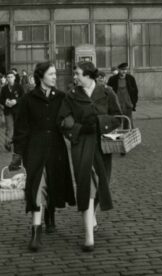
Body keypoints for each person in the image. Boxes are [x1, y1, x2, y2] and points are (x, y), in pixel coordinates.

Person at [8, 62, 75, 251]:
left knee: (53, 183)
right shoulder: (28, 99)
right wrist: (18, 154)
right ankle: (35, 232)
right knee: (37, 186)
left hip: (56, 149)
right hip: (35, 150)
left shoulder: (61, 97)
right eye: (51, 74)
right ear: (41, 76)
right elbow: (21, 129)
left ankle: (50, 215)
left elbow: (68, 122)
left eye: (55, 74)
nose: (55, 77)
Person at [58, 61, 122, 252]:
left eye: (77, 73)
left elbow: (118, 117)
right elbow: (62, 120)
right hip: (82, 144)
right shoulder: (71, 96)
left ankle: (91, 216)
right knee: (86, 184)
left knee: (102, 183)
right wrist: (78, 128)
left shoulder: (107, 92)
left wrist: (100, 123)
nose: (74, 77)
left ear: (88, 75)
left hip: (102, 145)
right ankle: (89, 237)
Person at [106, 62, 138, 127]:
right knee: (116, 123)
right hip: (117, 104)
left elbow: (135, 91)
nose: (124, 71)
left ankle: (128, 136)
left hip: (128, 104)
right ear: (119, 70)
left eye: (125, 70)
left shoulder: (131, 78)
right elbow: (108, 91)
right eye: (122, 70)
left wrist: (133, 102)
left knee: (128, 123)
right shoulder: (112, 79)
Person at [0, 72, 24, 152]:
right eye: (8, 77)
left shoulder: (19, 87)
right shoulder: (4, 88)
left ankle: (18, 144)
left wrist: (16, 101)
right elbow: (0, 99)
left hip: (17, 111)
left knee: (18, 128)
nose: (10, 79)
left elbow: (24, 98)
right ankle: (8, 143)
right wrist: (5, 102)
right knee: (10, 128)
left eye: (11, 77)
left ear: (14, 78)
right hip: (8, 111)